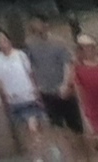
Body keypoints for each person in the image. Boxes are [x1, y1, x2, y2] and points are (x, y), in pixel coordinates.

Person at [0, 32, 56, 159]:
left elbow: (30, 74)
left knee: (33, 127)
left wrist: (36, 90)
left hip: (28, 96)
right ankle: (35, 154)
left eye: (4, 39)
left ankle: (40, 155)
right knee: (24, 131)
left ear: (9, 40)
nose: (2, 43)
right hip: (13, 99)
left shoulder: (20, 55)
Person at [32, 22, 82, 155]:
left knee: (75, 127)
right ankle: (69, 155)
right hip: (47, 92)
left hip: (64, 91)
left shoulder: (59, 43)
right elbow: (31, 69)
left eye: (39, 25)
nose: (38, 29)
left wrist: (66, 84)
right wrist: (37, 88)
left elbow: (68, 64)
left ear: (46, 25)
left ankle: (82, 155)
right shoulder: (31, 47)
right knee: (57, 127)